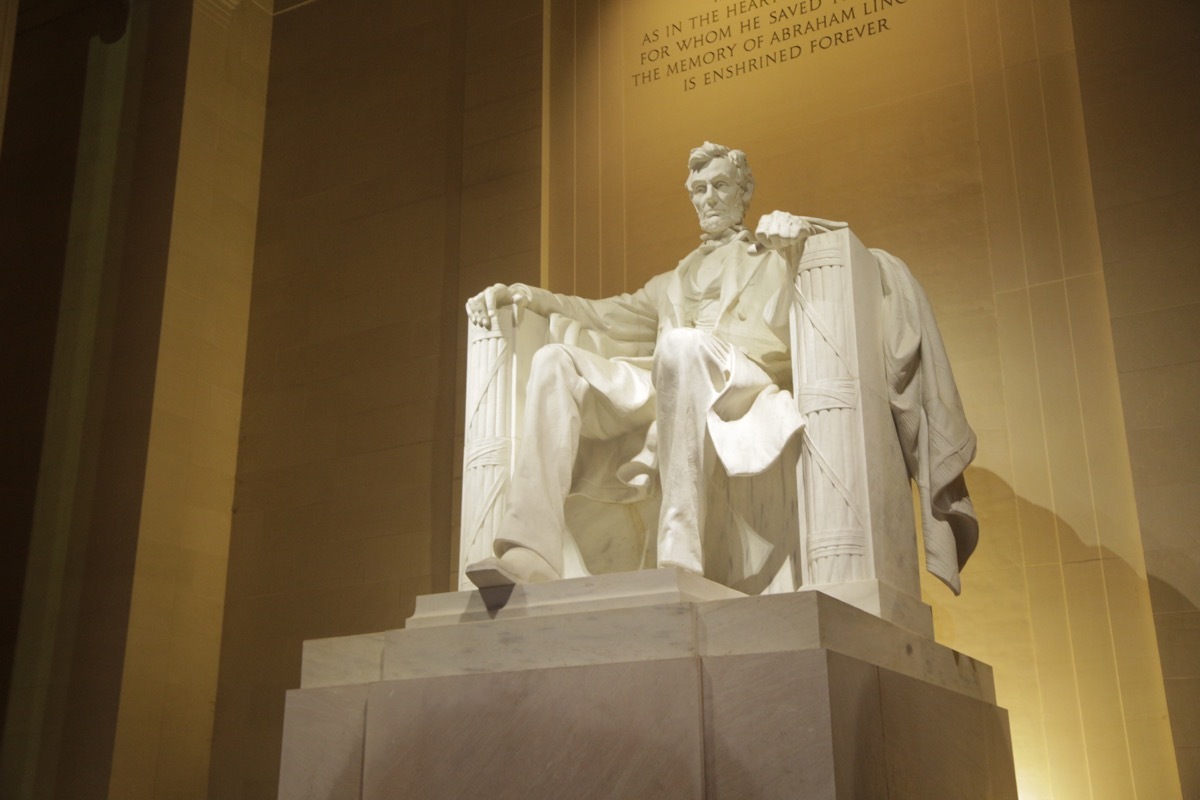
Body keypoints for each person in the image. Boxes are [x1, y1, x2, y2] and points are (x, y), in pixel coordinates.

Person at [464, 142, 845, 588]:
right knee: (554, 361)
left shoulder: (773, 255)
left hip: (736, 381)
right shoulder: (672, 281)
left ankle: (680, 550)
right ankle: (531, 549)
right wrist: (530, 296)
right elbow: (600, 312)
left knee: (681, 346)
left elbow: (838, 264)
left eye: (721, 185)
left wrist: (801, 237)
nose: (709, 197)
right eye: (700, 189)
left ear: (744, 193)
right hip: (669, 377)